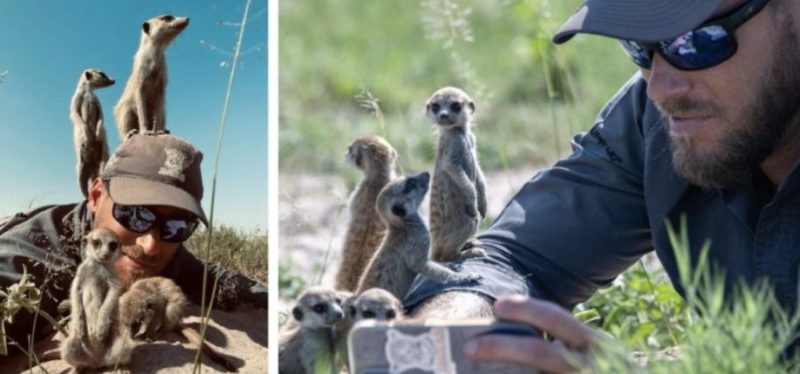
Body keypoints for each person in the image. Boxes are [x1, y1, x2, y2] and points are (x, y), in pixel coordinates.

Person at [402, 0, 800, 371]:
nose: (659, 86)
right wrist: (452, 333)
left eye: (695, 42)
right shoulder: (662, 117)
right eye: (639, 47)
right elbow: (515, 257)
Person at [0, 131, 267, 358]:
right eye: (136, 215)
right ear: (96, 197)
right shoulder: (31, 260)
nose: (151, 245)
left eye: (178, 227)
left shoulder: (165, 250)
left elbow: (217, 280)